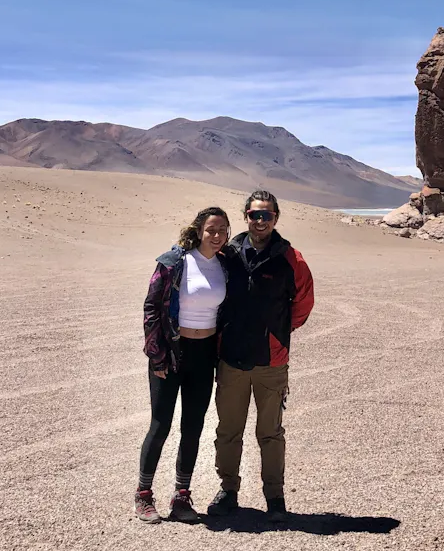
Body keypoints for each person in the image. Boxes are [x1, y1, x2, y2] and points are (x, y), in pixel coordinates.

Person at [206, 190, 314, 522]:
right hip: (231, 360)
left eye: (266, 215)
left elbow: (303, 305)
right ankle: (228, 490)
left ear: (276, 218)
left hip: (271, 364)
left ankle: (275, 496)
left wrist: (278, 333)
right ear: (246, 216)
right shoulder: (228, 254)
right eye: (255, 214)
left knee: (270, 433)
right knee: (228, 430)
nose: (260, 221)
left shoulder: (291, 259)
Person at [135, 206, 230, 523]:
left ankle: (182, 497)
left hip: (204, 355)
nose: (216, 236)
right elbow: (151, 307)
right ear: (199, 230)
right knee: (160, 424)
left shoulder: (224, 266)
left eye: (222, 230)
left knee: (193, 427)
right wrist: (156, 354)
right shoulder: (174, 262)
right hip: (172, 353)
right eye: (211, 230)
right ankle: (144, 495)